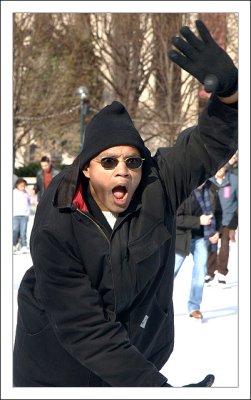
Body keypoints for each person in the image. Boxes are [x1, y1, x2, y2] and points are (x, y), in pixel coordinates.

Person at [13, 20, 238, 387]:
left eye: (132, 161)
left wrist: (231, 93)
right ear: (86, 168)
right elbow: (85, 330)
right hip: (57, 373)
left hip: (139, 358)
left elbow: (209, 143)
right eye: (109, 161)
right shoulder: (57, 220)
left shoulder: (156, 183)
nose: (123, 172)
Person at [174, 180, 222, 320]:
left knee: (200, 271)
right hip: (182, 238)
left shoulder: (212, 188)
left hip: (202, 237)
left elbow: (218, 213)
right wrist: (198, 221)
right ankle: (156, 306)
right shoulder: (184, 189)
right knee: (170, 273)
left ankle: (194, 307)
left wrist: (216, 231)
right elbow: (176, 218)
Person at [205, 163, 238, 285]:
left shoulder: (234, 180)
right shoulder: (209, 181)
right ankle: (210, 272)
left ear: (226, 168)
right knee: (211, 245)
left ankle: (222, 272)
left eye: (222, 167)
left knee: (224, 246)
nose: (220, 169)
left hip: (228, 220)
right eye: (218, 167)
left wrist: (234, 225)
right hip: (212, 219)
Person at [13, 178, 31, 254]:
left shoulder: (26, 193)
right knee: (15, 230)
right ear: (17, 185)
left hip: (24, 215)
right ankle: (13, 244)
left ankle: (24, 245)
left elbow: (30, 202)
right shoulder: (14, 193)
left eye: (24, 186)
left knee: (23, 231)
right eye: (21, 186)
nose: (23, 187)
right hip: (15, 215)